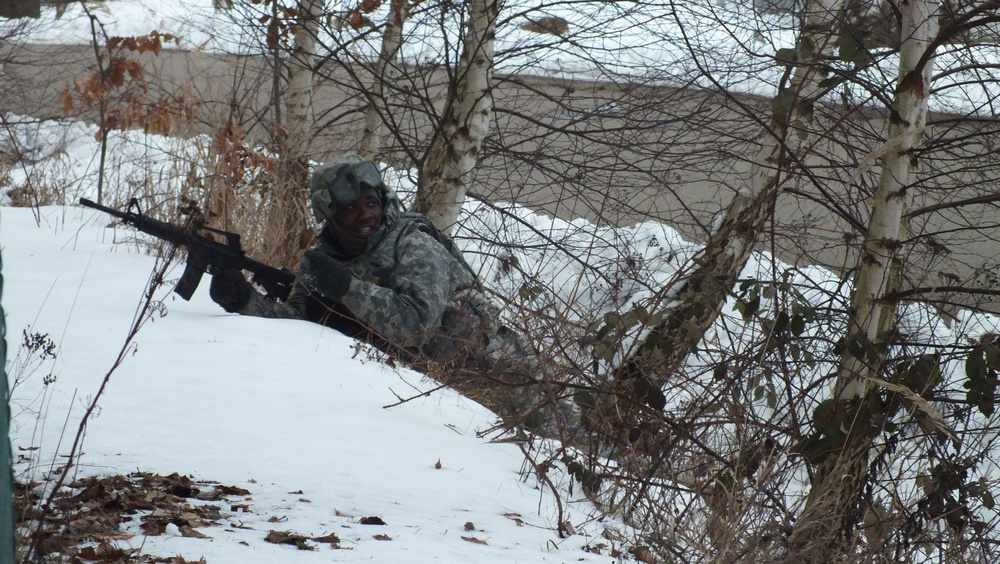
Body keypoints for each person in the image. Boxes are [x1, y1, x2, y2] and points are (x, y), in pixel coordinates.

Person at [207, 153, 558, 431]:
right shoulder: (323, 259)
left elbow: (417, 324)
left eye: (371, 204)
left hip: (505, 384)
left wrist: (347, 288)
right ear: (330, 215)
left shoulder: (412, 243)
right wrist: (244, 300)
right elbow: (303, 320)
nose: (365, 215)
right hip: (433, 400)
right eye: (350, 208)